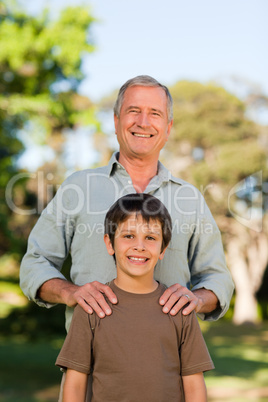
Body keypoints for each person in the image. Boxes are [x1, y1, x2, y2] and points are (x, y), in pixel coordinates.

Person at [20, 74, 234, 328]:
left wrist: (197, 299)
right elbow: (35, 262)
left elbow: (218, 278)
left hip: (169, 363)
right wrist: (69, 293)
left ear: (168, 127)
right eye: (134, 111)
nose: (143, 122)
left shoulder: (191, 199)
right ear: (116, 120)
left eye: (155, 113)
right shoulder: (77, 187)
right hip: (90, 363)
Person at [56, 193, 214, 402]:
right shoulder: (91, 307)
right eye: (128, 236)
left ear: (163, 249)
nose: (139, 246)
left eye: (150, 238)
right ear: (110, 243)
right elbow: (74, 386)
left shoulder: (179, 308)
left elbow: (194, 387)